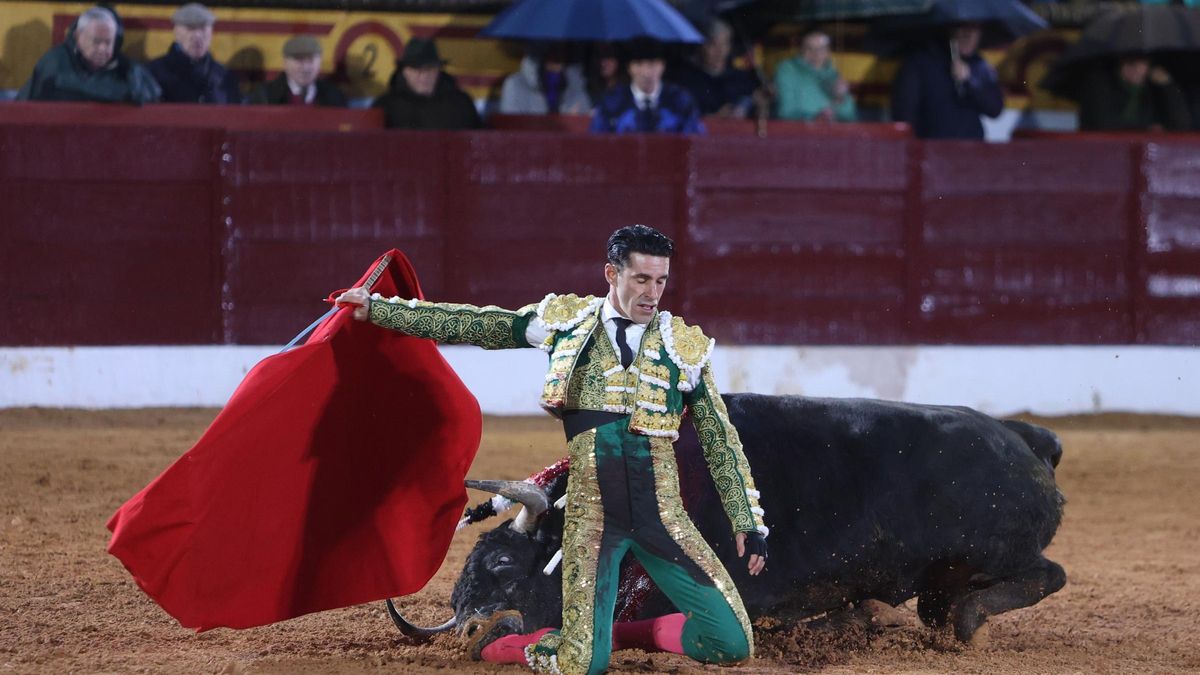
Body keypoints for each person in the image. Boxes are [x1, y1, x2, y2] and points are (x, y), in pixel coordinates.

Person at [335, 225, 767, 675]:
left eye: (661, 281)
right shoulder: (568, 323)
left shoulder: (684, 348)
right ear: (611, 274)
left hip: (663, 519)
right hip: (594, 521)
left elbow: (720, 438)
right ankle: (500, 646)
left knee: (730, 643)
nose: (652, 293)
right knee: (581, 666)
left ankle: (615, 635)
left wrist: (747, 521)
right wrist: (380, 310)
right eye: (641, 279)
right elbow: (483, 324)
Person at [17, 5, 160, 103]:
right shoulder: (56, 60)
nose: (103, 49)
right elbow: (78, 87)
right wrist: (126, 93)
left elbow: (152, 94)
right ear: (78, 37)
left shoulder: (125, 66)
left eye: (108, 42)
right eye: (96, 42)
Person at [890, 23, 1003, 139]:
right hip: (932, 149)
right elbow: (904, 114)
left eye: (974, 28)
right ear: (948, 29)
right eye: (962, 27)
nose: (968, 35)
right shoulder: (920, 62)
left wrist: (970, 81)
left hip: (973, 148)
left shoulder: (978, 64)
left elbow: (995, 108)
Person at [590, 38, 705, 134]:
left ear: (662, 66)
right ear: (630, 68)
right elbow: (598, 142)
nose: (646, 72)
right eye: (639, 65)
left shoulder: (680, 100)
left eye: (652, 64)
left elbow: (694, 140)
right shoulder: (612, 102)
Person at [372, 38, 482, 130]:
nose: (423, 76)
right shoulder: (386, 106)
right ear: (404, 71)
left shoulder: (461, 104)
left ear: (439, 70)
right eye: (416, 69)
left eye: (429, 69)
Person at [146, 3, 240, 104]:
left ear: (211, 33)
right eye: (190, 28)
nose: (197, 35)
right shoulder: (153, 73)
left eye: (203, 29)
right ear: (176, 32)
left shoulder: (223, 77)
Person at [671, 19, 759, 118]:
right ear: (700, 45)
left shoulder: (741, 79)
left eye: (724, 44)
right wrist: (714, 117)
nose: (720, 51)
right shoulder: (685, 80)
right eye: (713, 44)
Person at [1076, 56, 1191, 132]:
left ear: (1149, 66)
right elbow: (1103, 125)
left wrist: (1168, 86)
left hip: (1141, 153)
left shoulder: (1152, 89)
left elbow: (1182, 125)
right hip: (1101, 152)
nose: (1134, 69)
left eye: (1141, 63)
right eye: (1129, 62)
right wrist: (1147, 129)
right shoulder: (1098, 83)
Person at [773, 30, 856, 123]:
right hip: (799, 132)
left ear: (828, 51)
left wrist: (841, 98)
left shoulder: (833, 74)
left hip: (831, 132)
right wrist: (815, 118)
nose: (816, 54)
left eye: (821, 49)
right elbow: (785, 112)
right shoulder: (788, 70)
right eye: (809, 48)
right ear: (801, 49)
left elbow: (850, 117)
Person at [248, 35, 346, 106]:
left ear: (319, 62)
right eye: (299, 60)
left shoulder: (335, 96)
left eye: (311, 60)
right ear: (285, 63)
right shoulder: (265, 96)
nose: (306, 67)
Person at [498, 43, 591, 115]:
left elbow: (584, 123)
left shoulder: (577, 84)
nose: (557, 52)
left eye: (562, 46)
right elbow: (511, 125)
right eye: (551, 45)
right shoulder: (515, 84)